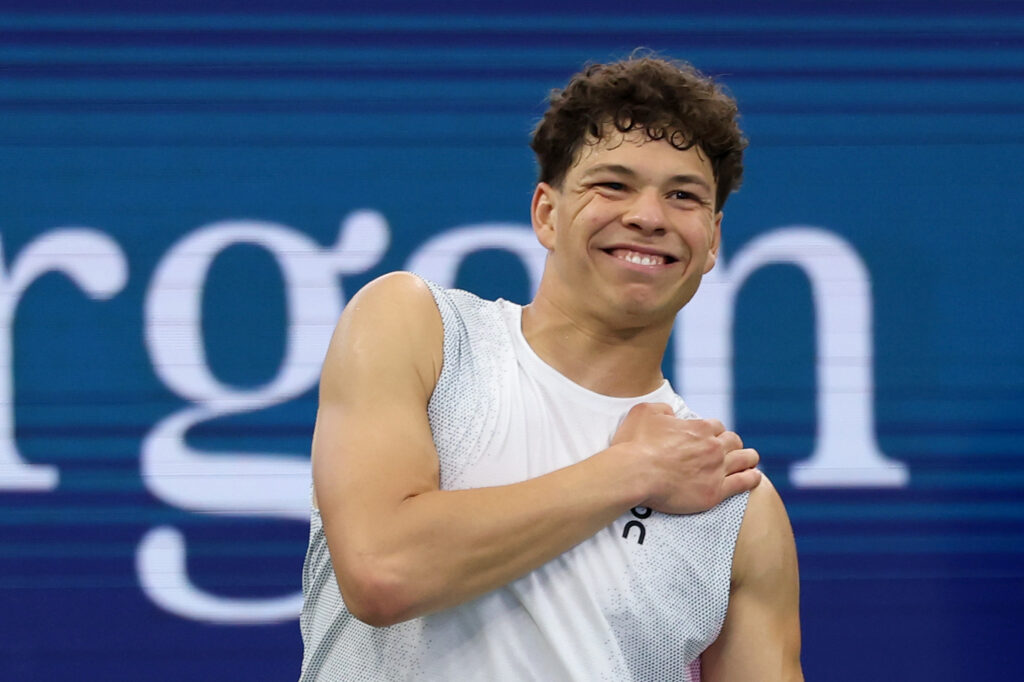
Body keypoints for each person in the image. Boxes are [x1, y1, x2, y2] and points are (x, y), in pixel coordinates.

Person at [299, 54, 802, 681]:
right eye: (613, 184)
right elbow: (382, 572)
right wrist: (633, 469)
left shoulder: (733, 504)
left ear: (713, 240)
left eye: (683, 195)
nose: (649, 216)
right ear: (547, 213)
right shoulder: (417, 328)